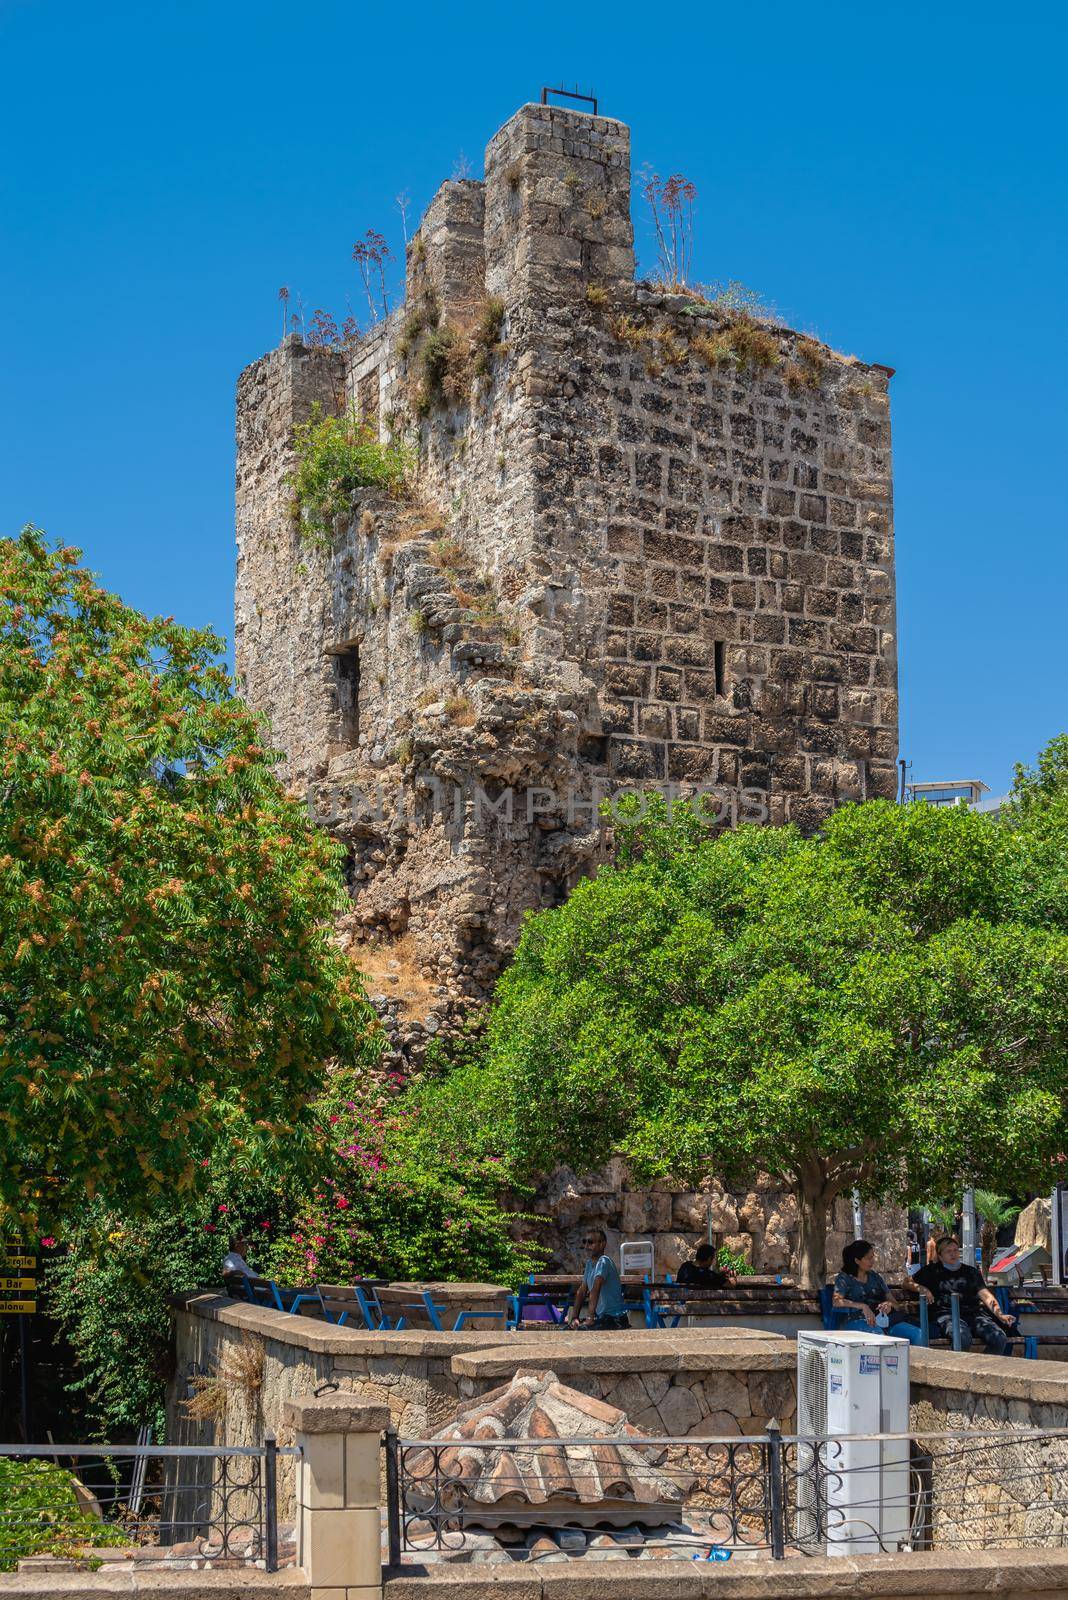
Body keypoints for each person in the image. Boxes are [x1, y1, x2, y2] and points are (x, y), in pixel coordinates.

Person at [914, 1235, 1018, 1355]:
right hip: (946, 1315)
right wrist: (922, 1289)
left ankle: (982, 1368)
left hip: (974, 1315)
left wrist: (1000, 1315)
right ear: (940, 1256)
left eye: (955, 1250)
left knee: (999, 1338)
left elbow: (986, 1295)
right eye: (948, 1251)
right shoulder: (931, 1271)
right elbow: (907, 1282)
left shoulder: (971, 1272)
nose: (953, 1254)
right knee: (962, 1338)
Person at [832, 1239, 924, 1345]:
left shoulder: (875, 1277)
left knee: (918, 1335)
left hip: (884, 1321)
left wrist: (889, 1305)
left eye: (873, 1257)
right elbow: (836, 1301)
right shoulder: (844, 1278)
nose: (873, 1261)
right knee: (879, 1337)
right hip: (857, 1321)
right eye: (869, 1258)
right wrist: (863, 1306)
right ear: (857, 1261)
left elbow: (896, 1305)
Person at [567, 1228, 630, 1330]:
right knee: (570, 1329)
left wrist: (589, 1317)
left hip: (615, 1318)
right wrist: (574, 1318)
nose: (586, 1246)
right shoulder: (589, 1264)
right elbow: (582, 1291)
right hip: (602, 1317)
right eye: (585, 1242)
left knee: (583, 1330)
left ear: (602, 1244)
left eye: (591, 1242)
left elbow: (596, 1289)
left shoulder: (604, 1261)